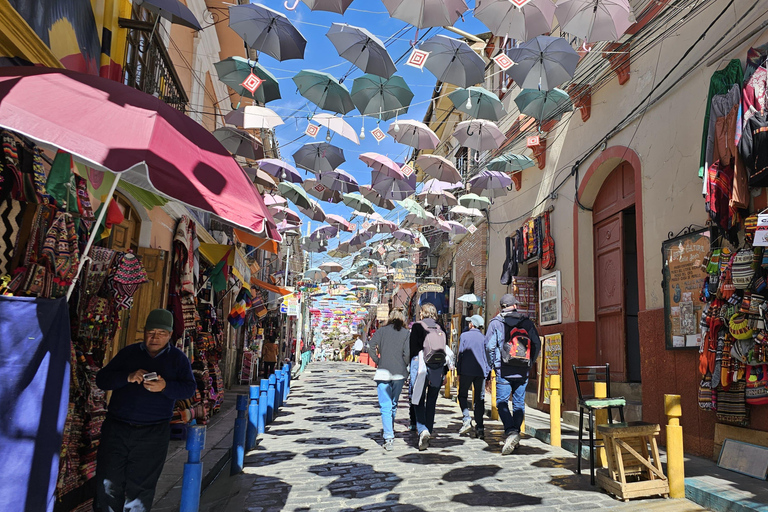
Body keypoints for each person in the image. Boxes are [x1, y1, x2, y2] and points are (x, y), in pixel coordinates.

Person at [94, 309, 196, 511]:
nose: (155, 337)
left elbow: (189, 389)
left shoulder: (177, 359)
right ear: (144, 332)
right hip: (117, 429)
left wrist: (165, 387)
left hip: (153, 433)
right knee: (107, 484)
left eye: (161, 333)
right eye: (151, 332)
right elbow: (102, 380)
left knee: (141, 490)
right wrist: (127, 377)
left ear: (169, 335)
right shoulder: (129, 353)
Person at [486, 294, 541, 455]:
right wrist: (530, 361)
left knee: (501, 403)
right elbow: (536, 343)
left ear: (502, 307)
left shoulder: (496, 323)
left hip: (504, 368)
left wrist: (492, 364)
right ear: (515, 306)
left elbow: (489, 346)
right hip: (522, 369)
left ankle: (511, 431)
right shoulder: (526, 322)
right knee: (518, 403)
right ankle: (514, 434)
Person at [409, 302, 453, 451]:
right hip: (437, 369)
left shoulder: (417, 326)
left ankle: (422, 430)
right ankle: (429, 429)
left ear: (423, 313)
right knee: (432, 400)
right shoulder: (441, 328)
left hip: (421, 366)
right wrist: (445, 373)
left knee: (418, 399)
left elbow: (413, 350)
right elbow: (445, 352)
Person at [368, 308, 411, 451]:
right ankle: (389, 430)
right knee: (393, 403)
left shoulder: (381, 331)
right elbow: (407, 353)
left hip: (383, 373)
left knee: (385, 405)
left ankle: (388, 435)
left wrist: (377, 361)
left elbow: (371, 347)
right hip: (399, 373)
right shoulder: (406, 333)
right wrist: (404, 364)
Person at [457, 314, 492, 439]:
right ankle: (480, 427)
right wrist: (487, 374)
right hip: (480, 372)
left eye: (469, 322)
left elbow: (460, 354)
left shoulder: (464, 336)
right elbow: (488, 357)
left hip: (466, 371)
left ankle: (466, 419)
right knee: (479, 399)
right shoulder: (484, 338)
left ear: (472, 324)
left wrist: (458, 371)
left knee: (462, 395)